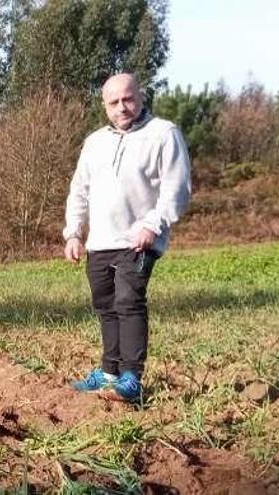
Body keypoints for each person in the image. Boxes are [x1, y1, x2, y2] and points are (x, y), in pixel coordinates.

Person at [63, 73, 192, 402]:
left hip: (137, 241)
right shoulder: (94, 142)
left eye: (128, 99)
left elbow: (176, 189)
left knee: (128, 302)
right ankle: (108, 372)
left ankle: (131, 379)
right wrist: (74, 233)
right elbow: (80, 190)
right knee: (105, 306)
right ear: (104, 105)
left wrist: (152, 224)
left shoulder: (163, 134)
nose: (122, 107)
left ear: (140, 96)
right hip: (99, 243)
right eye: (114, 102)